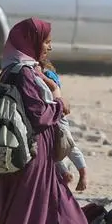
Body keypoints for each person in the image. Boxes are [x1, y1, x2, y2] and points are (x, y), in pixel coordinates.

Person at [0, 18, 106, 224]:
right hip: (32, 159)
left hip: (39, 161)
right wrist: (60, 104)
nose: (49, 47)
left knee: (64, 219)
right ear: (31, 41)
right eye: (46, 41)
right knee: (27, 220)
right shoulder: (23, 73)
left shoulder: (16, 71)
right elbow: (39, 116)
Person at [41, 59, 89, 192]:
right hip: (45, 118)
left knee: (68, 145)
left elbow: (54, 90)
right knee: (49, 149)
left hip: (58, 116)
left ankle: (83, 174)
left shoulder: (48, 74)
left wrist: (40, 75)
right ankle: (64, 173)